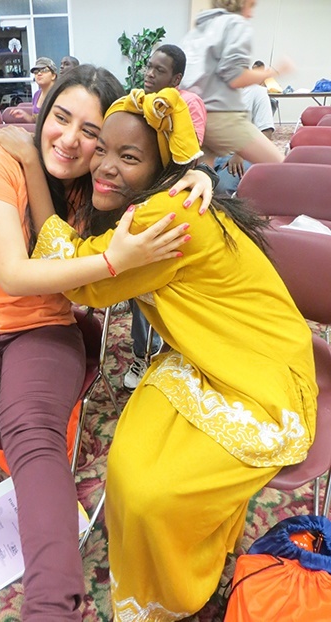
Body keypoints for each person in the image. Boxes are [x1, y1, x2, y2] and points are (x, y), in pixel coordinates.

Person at [0, 65, 213, 622]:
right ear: (44, 108)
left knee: (33, 436)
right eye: (61, 117)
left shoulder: (93, 184)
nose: (71, 139)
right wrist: (111, 262)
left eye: (90, 131)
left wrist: (200, 172)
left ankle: (54, 607)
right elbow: (12, 272)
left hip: (46, 328)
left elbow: (152, 172)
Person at [29, 87, 317, 620]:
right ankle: (191, 556)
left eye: (129, 157)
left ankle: (177, 593)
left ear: (162, 166)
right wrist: (199, 167)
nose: (105, 167)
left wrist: (28, 164)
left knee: (147, 492)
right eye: (103, 148)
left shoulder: (165, 215)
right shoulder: (164, 197)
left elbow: (77, 278)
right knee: (129, 465)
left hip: (259, 369)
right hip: (206, 352)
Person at [124, 43, 210, 390]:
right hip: (140, 200)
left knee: (170, 286)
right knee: (137, 286)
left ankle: (173, 352)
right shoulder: (137, 103)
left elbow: (185, 159)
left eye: (159, 71)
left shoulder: (187, 105)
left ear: (176, 78)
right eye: (148, 67)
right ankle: (141, 354)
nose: (149, 74)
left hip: (172, 203)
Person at [180, 0, 293, 165]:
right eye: (251, 5)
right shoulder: (235, 23)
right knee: (282, 168)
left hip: (192, 114)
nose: (251, 13)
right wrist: (276, 71)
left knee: (201, 178)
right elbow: (235, 78)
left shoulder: (198, 29)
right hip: (220, 117)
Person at [214, 81, 275, 195]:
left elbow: (266, 133)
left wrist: (241, 154)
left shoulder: (257, 92)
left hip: (243, 155)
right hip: (214, 153)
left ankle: (229, 212)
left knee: (221, 188)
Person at [10, 57, 58, 123]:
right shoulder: (37, 94)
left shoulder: (60, 95)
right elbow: (36, 122)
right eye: (36, 72)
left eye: (44, 70)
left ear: (53, 76)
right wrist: (24, 115)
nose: (39, 74)